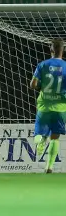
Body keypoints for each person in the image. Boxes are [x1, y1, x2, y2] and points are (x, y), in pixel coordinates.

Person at [31, 38, 66, 173]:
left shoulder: (43, 65)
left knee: (39, 134)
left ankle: (40, 140)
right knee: (55, 137)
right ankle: (49, 167)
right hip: (61, 108)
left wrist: (42, 86)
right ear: (63, 50)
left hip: (44, 106)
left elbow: (33, 85)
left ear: (51, 49)